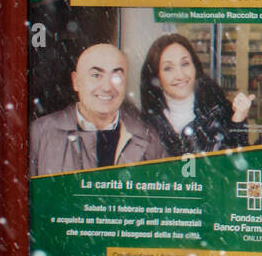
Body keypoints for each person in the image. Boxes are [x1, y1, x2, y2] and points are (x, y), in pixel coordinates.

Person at [30, 43, 166, 176]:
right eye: (96, 75)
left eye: (116, 76)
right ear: (76, 81)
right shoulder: (40, 134)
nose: (107, 87)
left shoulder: (148, 139)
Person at [139, 34, 253, 155]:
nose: (180, 76)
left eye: (185, 64)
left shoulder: (218, 110)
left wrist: (238, 120)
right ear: (157, 77)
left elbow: (239, 162)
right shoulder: (147, 126)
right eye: (168, 68)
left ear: (195, 67)